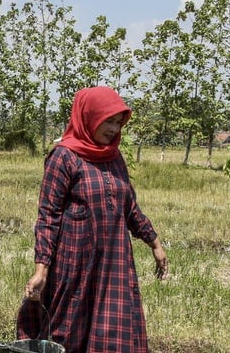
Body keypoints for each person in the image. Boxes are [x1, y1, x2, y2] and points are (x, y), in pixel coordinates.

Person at [20, 86, 169, 352]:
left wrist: (154, 242)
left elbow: (130, 207)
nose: (113, 128)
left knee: (113, 333)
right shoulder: (63, 157)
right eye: (107, 121)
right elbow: (48, 217)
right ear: (88, 117)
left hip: (114, 265)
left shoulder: (114, 157)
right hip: (76, 266)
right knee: (68, 331)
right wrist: (41, 269)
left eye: (117, 122)